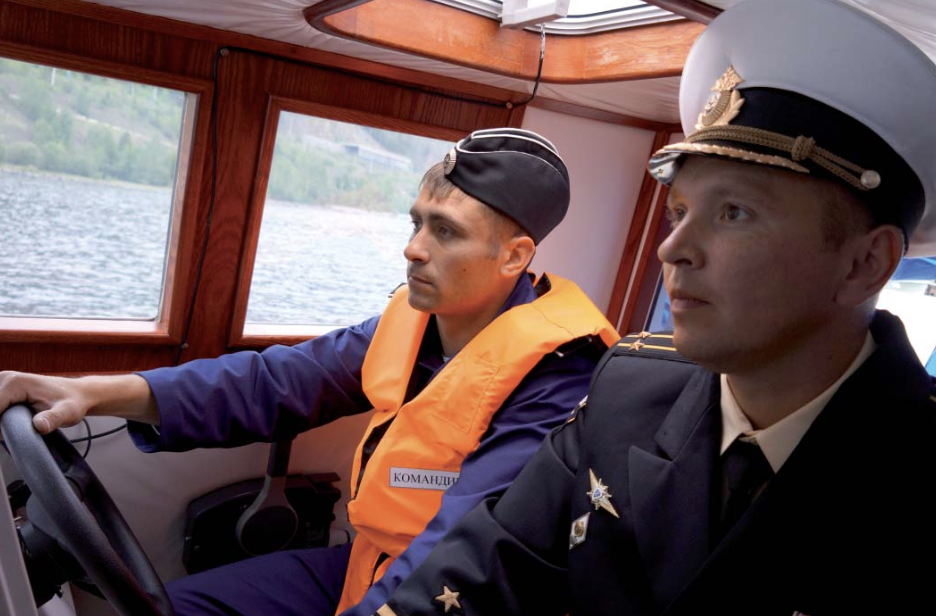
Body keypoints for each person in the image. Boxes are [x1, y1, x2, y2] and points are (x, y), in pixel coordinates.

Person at [372, 1, 936, 615]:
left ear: (865, 263)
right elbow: (486, 569)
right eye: (678, 212)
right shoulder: (629, 390)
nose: (672, 248)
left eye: (734, 212)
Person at [0, 128, 620, 616]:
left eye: (445, 231)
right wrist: (89, 392)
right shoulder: (417, 320)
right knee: (176, 608)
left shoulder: (558, 372)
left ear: (513, 257)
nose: (413, 248)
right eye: (416, 222)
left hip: (443, 592)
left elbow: (467, 544)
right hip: (366, 562)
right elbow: (274, 382)